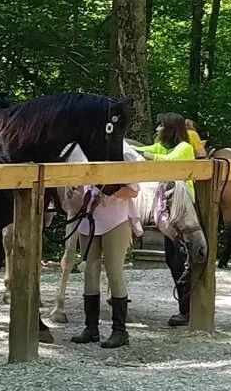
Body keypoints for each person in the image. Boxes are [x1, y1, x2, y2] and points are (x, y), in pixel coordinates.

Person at [70, 176, 141, 350]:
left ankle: (119, 330)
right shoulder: (83, 158)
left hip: (115, 219)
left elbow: (133, 191)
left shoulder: (123, 154)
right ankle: (91, 328)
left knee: (114, 271)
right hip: (89, 217)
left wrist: (109, 191)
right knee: (90, 271)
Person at [141, 112, 198, 327]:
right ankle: (185, 308)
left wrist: (149, 157)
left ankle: (188, 309)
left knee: (181, 259)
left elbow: (169, 162)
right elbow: (144, 150)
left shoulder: (184, 148)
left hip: (182, 211)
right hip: (169, 211)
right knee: (171, 258)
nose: (157, 130)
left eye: (161, 126)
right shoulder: (163, 147)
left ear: (170, 129)